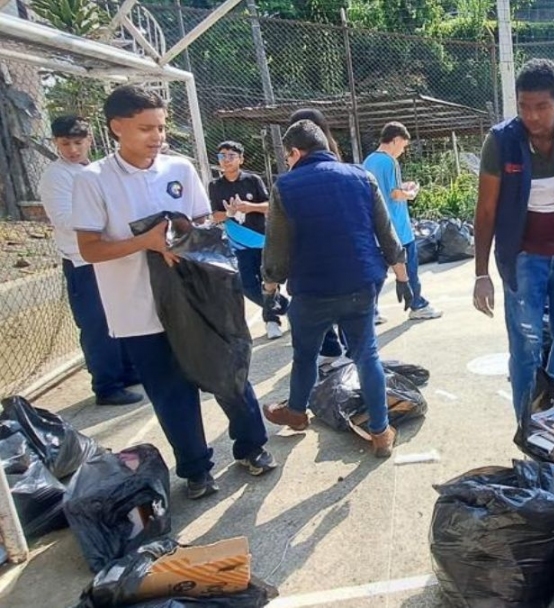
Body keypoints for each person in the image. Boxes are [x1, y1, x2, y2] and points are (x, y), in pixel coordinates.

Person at [72, 86, 277, 499]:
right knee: (170, 392)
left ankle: (251, 446)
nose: (157, 136)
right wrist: (144, 243)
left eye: (161, 127)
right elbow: (88, 248)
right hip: (138, 309)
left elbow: (204, 221)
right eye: (146, 128)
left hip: (197, 299)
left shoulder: (179, 169)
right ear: (116, 127)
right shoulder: (93, 180)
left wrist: (181, 238)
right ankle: (196, 468)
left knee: (227, 371)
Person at [261, 120, 411, 458]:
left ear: (296, 152)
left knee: (305, 356)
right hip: (360, 284)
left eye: (288, 156)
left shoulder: (285, 187)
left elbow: (277, 247)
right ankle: (380, 432)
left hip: (311, 289)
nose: (288, 162)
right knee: (366, 354)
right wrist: (402, 276)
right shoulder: (362, 176)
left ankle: (297, 413)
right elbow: (387, 234)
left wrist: (270, 287)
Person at [473, 58, 554, 417]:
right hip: (522, 259)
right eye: (523, 107)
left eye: (541, 107)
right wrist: (481, 274)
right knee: (526, 347)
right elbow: (485, 210)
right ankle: (527, 426)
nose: (531, 116)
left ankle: (552, 412)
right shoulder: (501, 142)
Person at [38, 115, 142, 406]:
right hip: (82, 260)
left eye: (77, 142)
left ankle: (127, 371)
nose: (72, 149)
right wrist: (110, 221)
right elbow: (64, 218)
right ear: (56, 143)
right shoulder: (56, 176)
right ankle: (106, 384)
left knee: (119, 314)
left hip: (111, 255)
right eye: (65, 143)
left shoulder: (97, 169)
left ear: (89, 141)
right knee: (96, 323)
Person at [285, 109, 360, 361]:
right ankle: (344, 351)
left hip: (317, 249)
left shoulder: (306, 168)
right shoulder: (337, 162)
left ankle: (335, 350)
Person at [363, 121, 442, 321]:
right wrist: (411, 192)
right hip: (398, 227)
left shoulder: (368, 161)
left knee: (377, 273)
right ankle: (417, 304)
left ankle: (369, 311)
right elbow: (395, 195)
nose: (403, 150)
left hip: (377, 228)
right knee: (410, 268)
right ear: (396, 140)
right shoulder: (390, 162)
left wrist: (402, 187)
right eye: (403, 145)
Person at [208, 141, 286, 340]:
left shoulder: (252, 180)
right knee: (248, 285)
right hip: (238, 243)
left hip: (261, 239)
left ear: (241, 159)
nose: (226, 160)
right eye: (222, 156)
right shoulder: (215, 185)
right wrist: (229, 212)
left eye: (231, 155)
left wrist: (249, 207)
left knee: (268, 280)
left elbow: (269, 206)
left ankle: (271, 320)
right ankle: (286, 307)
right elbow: (214, 215)